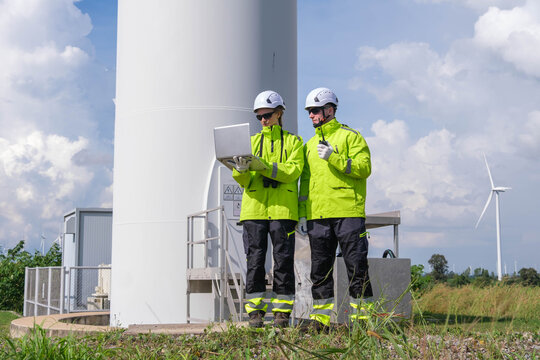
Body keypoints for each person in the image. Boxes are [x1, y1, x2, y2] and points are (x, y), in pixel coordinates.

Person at [298, 87, 374, 330]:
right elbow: (306, 182)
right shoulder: (309, 146)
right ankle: (320, 320)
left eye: (314, 111)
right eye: (309, 111)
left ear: (329, 110)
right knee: (319, 270)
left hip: (348, 213)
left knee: (356, 266)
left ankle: (361, 320)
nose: (310, 115)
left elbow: (364, 168)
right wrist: (302, 213)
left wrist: (334, 157)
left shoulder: (351, 137)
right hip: (317, 217)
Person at [232, 90, 304, 328]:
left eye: (268, 115)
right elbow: (241, 180)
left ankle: (282, 314)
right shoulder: (250, 143)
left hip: (283, 210)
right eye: (259, 117)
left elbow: (293, 171)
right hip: (254, 210)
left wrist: (264, 167)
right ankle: (255, 313)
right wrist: (241, 169)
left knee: (282, 262)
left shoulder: (294, 142)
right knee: (254, 262)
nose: (263, 120)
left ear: (279, 113)